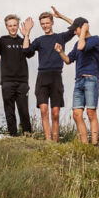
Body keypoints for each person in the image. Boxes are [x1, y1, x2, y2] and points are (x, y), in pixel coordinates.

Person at [55, 17, 99, 145]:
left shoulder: (95, 40)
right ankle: (85, 146)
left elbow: (82, 46)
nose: (74, 33)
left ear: (84, 28)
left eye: (76, 30)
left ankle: (95, 144)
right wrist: (60, 52)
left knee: (91, 113)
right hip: (79, 81)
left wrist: (84, 30)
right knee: (76, 114)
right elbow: (68, 60)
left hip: (91, 79)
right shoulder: (77, 43)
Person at [0, 14, 34, 137]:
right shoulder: (3, 40)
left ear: (18, 25)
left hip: (22, 82)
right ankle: (13, 135)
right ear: (6, 27)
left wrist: (26, 35)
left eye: (15, 25)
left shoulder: (22, 40)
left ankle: (28, 135)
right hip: (7, 81)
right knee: (9, 111)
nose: (13, 28)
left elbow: (29, 53)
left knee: (24, 110)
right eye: (10, 26)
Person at [24, 10, 65, 142]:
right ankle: (48, 142)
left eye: (47, 23)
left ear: (52, 23)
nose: (45, 26)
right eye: (43, 24)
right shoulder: (39, 40)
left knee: (55, 113)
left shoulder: (61, 37)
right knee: (43, 110)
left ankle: (55, 142)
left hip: (56, 77)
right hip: (42, 77)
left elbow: (77, 26)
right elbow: (26, 51)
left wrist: (61, 16)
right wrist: (27, 34)